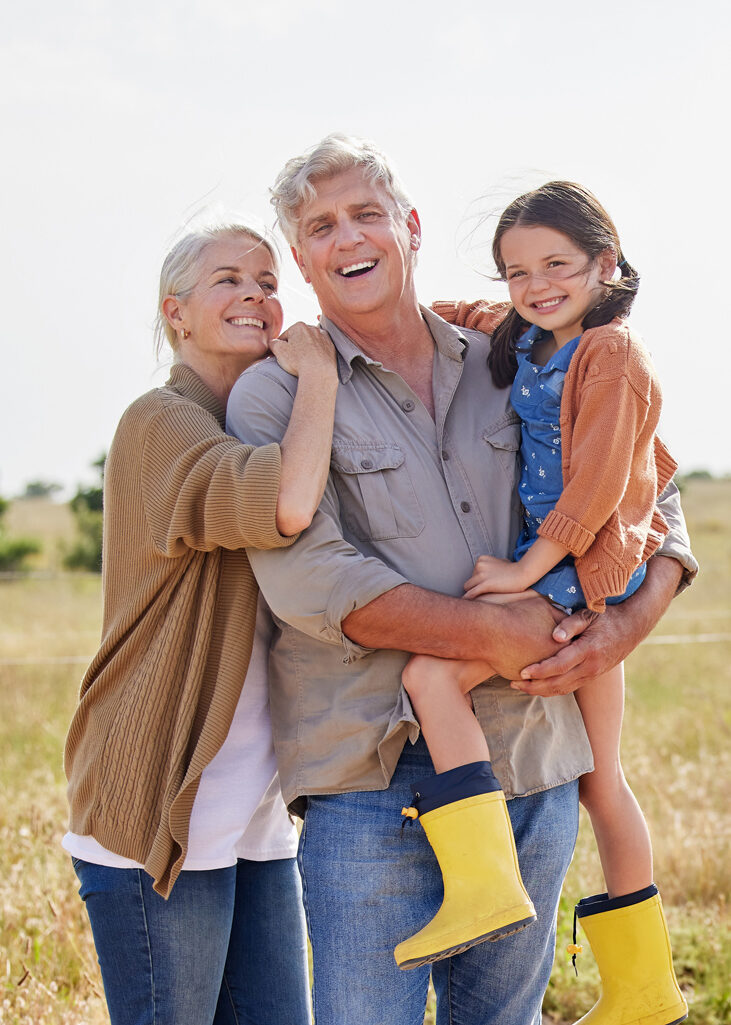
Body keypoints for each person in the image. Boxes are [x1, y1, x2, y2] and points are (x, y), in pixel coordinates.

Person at [225, 135, 696, 1025]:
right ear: (300, 257)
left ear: (407, 225)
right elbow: (314, 581)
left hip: (530, 761)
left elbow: (648, 478)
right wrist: (494, 633)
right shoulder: (276, 395)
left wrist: (632, 617)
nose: (347, 237)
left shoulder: (512, 354)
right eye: (321, 226)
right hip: (367, 781)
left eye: (366, 213)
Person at [402, 182, 688, 1025]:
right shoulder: (529, 334)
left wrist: (528, 570)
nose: (535, 285)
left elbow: (600, 481)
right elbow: (456, 315)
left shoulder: (610, 353)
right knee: (603, 778)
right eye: (515, 271)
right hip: (580, 576)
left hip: (575, 571)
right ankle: (643, 990)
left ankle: (485, 884)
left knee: (430, 674)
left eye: (556, 265)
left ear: (606, 262)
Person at [63, 221, 338, 1025]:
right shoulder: (159, 421)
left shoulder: (260, 421)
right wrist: (318, 373)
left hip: (249, 807)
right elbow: (284, 504)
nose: (256, 293)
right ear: (174, 312)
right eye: (229, 279)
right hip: (160, 806)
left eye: (265, 278)